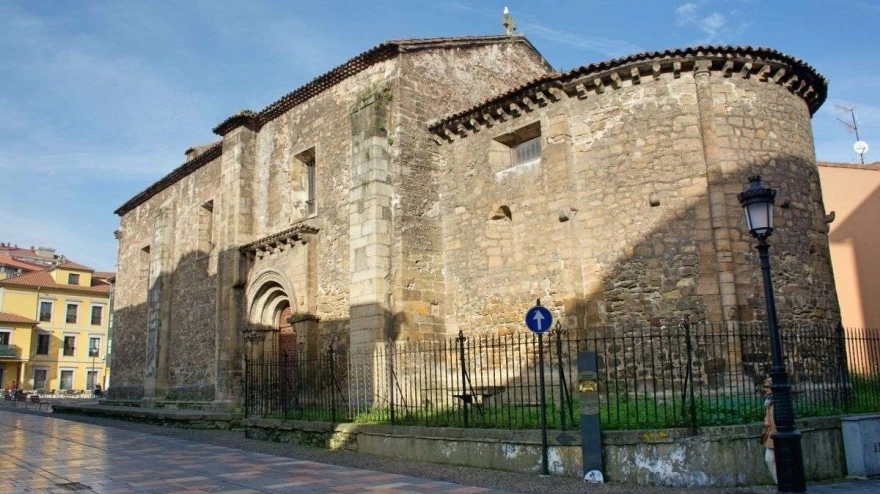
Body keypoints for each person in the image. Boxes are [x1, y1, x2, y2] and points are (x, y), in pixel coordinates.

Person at [761, 377, 778, 484]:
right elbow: (767, 416)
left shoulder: (779, 400)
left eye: (767, 387)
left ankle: (782, 483)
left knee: (772, 459)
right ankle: (779, 482)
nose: (765, 389)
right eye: (765, 387)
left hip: (779, 434)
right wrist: (766, 420)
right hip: (771, 434)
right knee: (769, 459)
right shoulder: (769, 400)